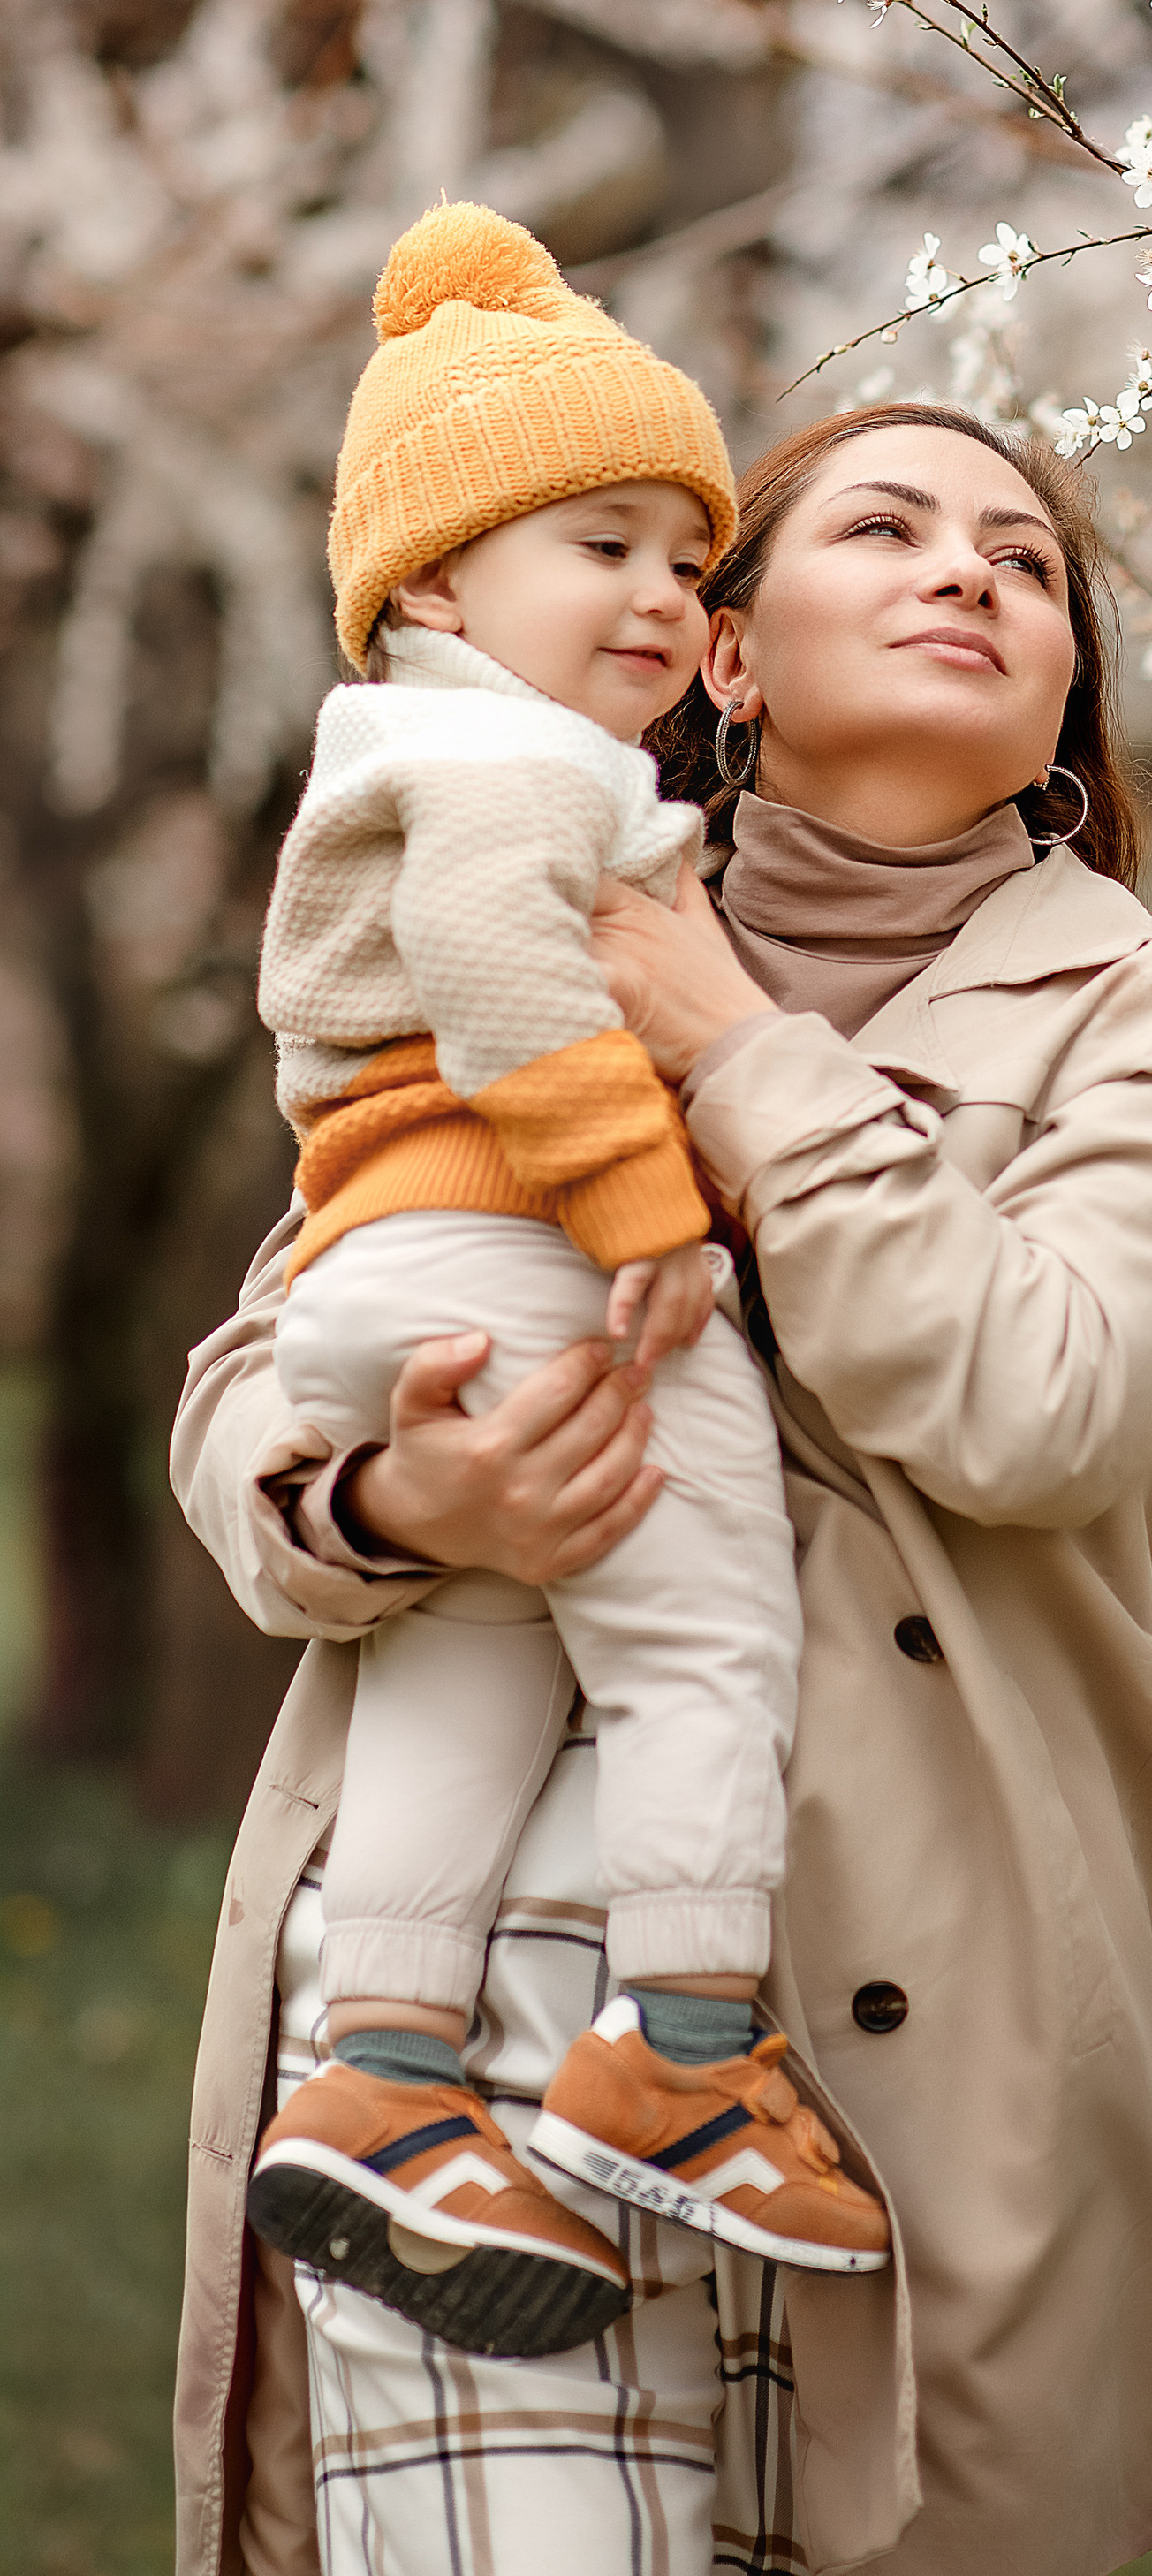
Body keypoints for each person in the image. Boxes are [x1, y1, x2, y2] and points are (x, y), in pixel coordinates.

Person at [171, 396, 1152, 2576]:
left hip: (923, 2036)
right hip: (451, 2030)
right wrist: (399, 1504)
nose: (970, 577)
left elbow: (1038, 1399)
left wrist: (737, 1049)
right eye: (890, 530)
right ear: (718, 660)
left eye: (1025, 568)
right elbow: (264, 1372)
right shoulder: (509, 906)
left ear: (1055, 714)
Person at [242, 198, 888, 2363]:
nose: (654, 592)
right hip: (525, 1247)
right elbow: (512, 983)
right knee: (706, 1637)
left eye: (679, 555)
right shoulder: (514, 764)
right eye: (592, 542)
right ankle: (686, 2040)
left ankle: (388, 2068)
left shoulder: (404, 750)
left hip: (381, 1272)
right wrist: (649, 1214)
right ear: (431, 580)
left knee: (481, 1650)